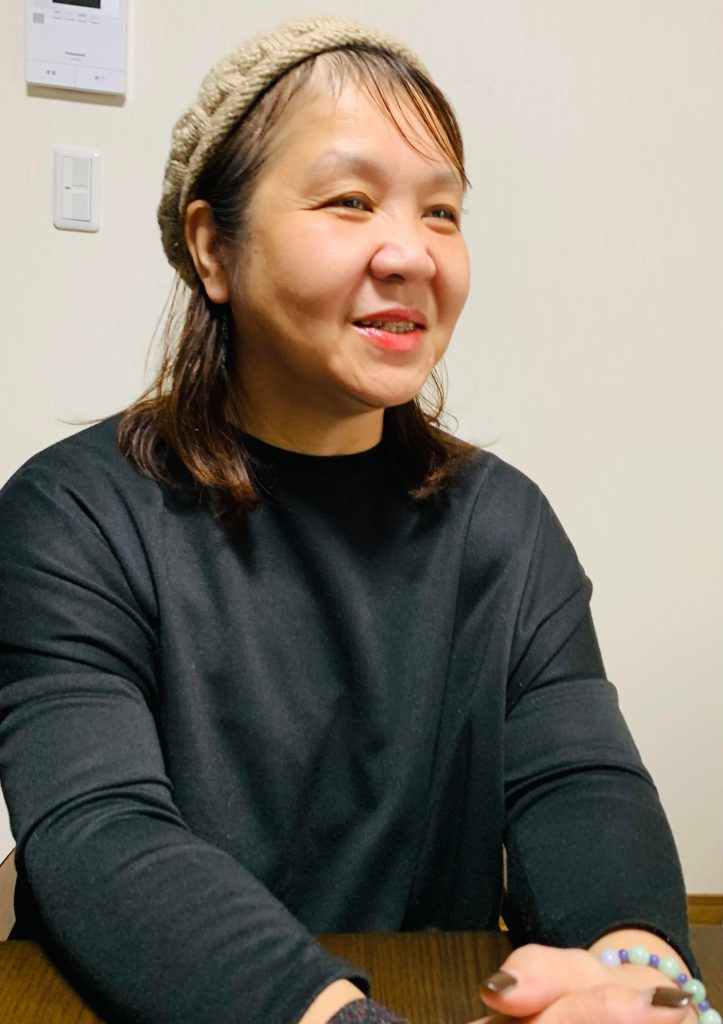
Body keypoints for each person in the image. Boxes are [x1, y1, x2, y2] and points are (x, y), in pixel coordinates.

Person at [0, 15, 714, 1024]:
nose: (411, 253)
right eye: (350, 200)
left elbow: (579, 784)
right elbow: (101, 833)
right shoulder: (72, 516)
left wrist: (635, 975)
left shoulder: (505, 524)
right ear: (212, 247)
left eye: (442, 212)